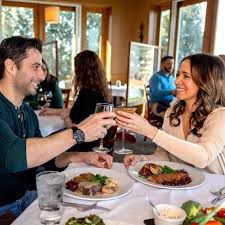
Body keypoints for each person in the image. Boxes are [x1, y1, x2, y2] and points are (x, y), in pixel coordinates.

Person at [0, 36, 116, 217]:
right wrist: (79, 132)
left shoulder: (28, 112)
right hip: (4, 208)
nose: (42, 75)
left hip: (31, 197)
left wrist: (80, 156)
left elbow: (45, 159)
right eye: (35, 67)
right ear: (11, 67)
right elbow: (15, 156)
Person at [117, 54, 225, 175]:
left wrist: (150, 131)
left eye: (186, 76)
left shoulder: (219, 115)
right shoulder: (173, 111)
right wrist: (143, 159)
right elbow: (164, 155)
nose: (177, 81)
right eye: (178, 74)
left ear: (205, 81)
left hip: (215, 189)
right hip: (184, 186)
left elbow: (203, 157)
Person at [40, 50, 114, 152]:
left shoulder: (86, 94)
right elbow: (79, 112)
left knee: (47, 140)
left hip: (84, 145)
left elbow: (74, 130)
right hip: (99, 141)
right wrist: (55, 111)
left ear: (80, 72)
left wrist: (66, 118)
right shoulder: (103, 93)